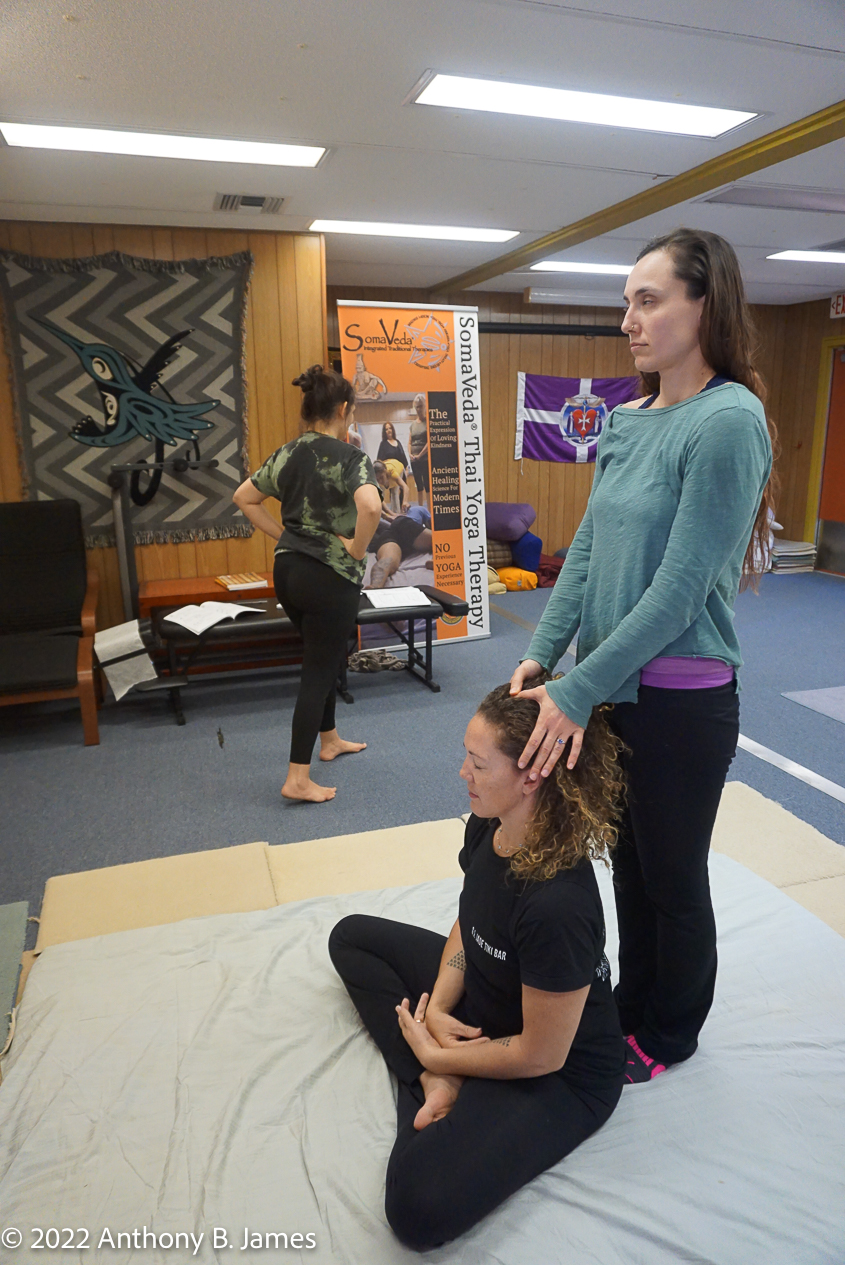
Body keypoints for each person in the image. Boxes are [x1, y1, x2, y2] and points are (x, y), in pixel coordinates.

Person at [508, 228, 776, 1081]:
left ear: (704, 305)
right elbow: (587, 549)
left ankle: (669, 1033)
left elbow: (680, 587)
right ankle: (633, 1002)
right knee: (624, 863)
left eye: (647, 300)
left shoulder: (728, 421)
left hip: (680, 699)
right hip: (607, 689)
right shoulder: (627, 418)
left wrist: (576, 687)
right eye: (626, 301)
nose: (626, 318)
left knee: (671, 875)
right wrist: (546, 654)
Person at [329, 682, 626, 1250]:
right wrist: (439, 1008)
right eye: (467, 756)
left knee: (416, 1209)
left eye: (478, 763)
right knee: (352, 939)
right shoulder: (489, 823)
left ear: (531, 776)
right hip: (487, 1001)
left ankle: (437, 1078)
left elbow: (541, 1053)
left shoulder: (558, 905)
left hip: (556, 1069)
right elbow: (472, 922)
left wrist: (436, 1051)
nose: (462, 772)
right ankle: (435, 1085)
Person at [233, 365, 382, 803]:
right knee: (317, 670)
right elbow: (372, 507)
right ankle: (297, 778)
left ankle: (329, 739)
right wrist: (357, 548)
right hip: (327, 578)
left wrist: (285, 536)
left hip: (288, 573)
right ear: (343, 409)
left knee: (324, 654)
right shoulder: (350, 456)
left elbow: (244, 497)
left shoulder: (288, 453)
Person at [367, 506, 432, 588]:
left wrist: (387, 516)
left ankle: (374, 586)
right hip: (403, 526)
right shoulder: (419, 509)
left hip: (390, 533)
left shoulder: (416, 511)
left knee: (387, 560)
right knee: (440, 540)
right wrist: (388, 516)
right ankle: (440, 559)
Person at [408, 393, 429, 509]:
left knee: (427, 486)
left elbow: (429, 442)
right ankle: (421, 509)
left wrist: (420, 455)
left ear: (424, 406)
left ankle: (429, 511)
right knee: (419, 487)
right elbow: (409, 442)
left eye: (420, 406)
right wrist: (410, 454)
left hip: (425, 459)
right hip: (414, 460)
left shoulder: (428, 422)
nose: (419, 409)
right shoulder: (412, 425)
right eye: (417, 407)